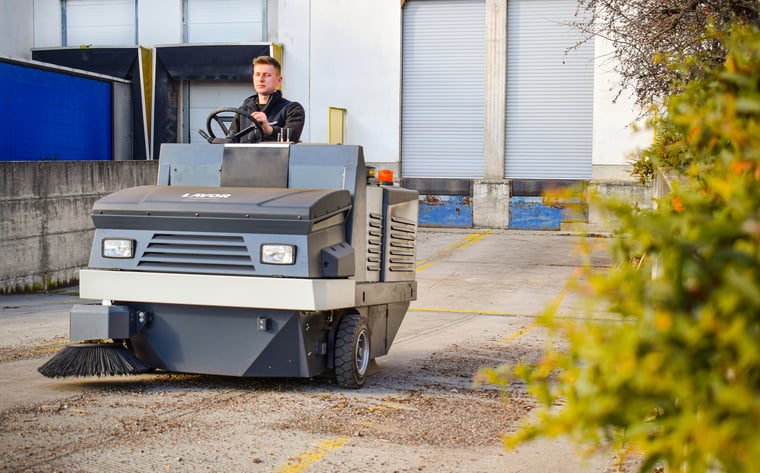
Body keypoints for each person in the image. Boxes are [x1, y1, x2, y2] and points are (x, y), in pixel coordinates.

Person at [231, 56, 305, 143]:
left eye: (267, 75)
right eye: (257, 74)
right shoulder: (243, 110)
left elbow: (292, 137)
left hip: (276, 156)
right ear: (253, 78)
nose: (261, 79)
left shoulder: (292, 109)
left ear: (278, 80)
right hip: (244, 156)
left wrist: (269, 129)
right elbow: (230, 139)